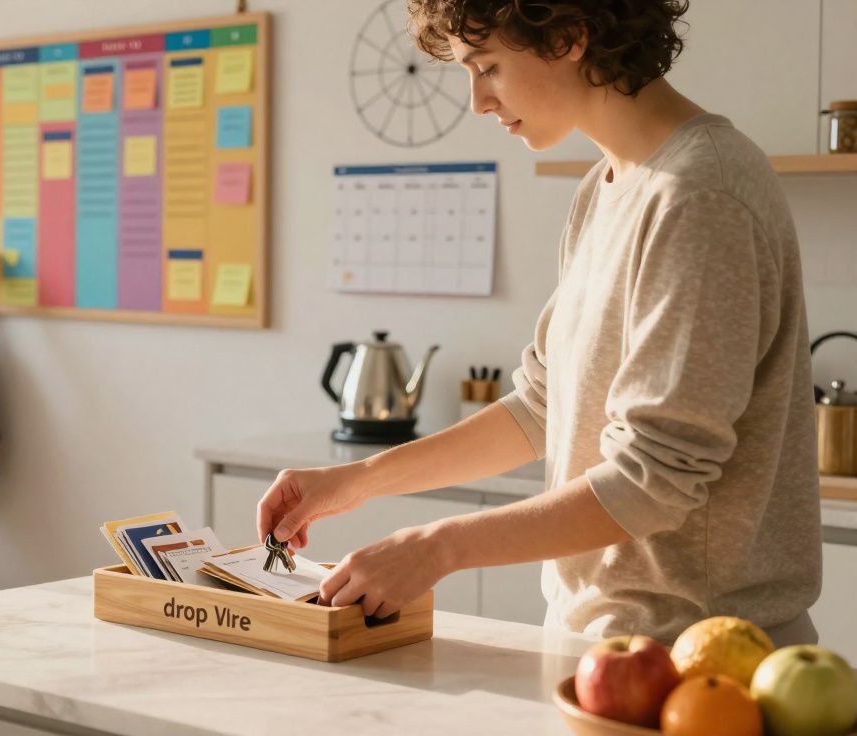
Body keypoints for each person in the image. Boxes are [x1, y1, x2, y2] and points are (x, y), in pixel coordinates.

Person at [258, 0, 821, 645]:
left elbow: (654, 479)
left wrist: (438, 547)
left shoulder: (701, 195)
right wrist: (353, 482)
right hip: (599, 642)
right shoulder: (605, 188)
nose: (477, 102)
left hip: (700, 655)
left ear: (568, 36)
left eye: (487, 67)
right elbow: (541, 408)